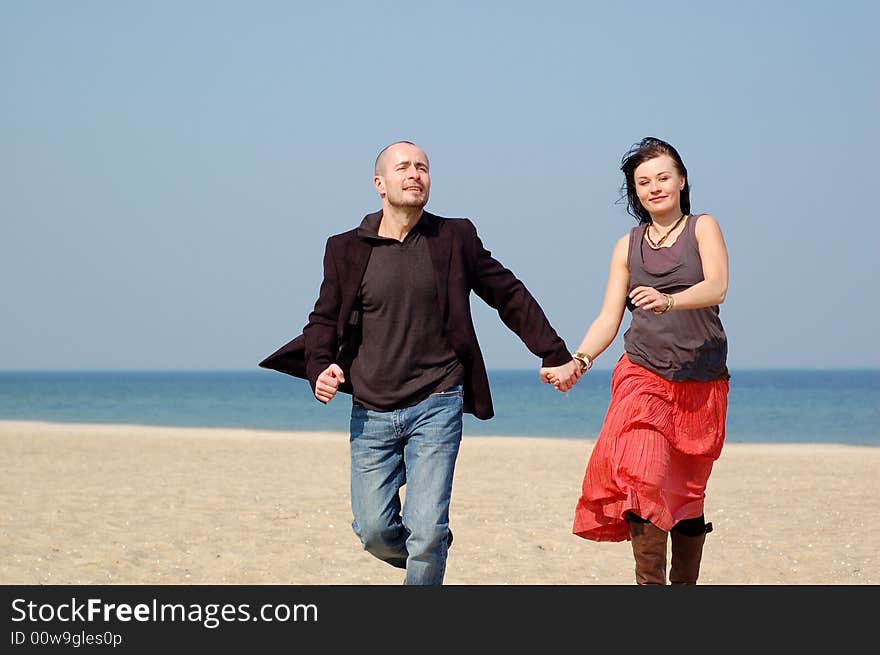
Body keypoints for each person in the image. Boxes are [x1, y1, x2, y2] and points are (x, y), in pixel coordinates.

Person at [260, 141, 581, 585]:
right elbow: (324, 319)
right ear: (380, 183)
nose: (415, 174)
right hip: (371, 408)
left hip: (437, 400)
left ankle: (427, 552)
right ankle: (428, 553)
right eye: (403, 167)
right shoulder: (345, 248)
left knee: (426, 529)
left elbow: (506, 293)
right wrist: (319, 368)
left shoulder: (454, 237)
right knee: (373, 531)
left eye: (423, 167)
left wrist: (554, 352)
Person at [542, 136, 730, 585]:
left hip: (701, 380)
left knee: (686, 494)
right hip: (643, 374)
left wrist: (669, 301)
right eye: (643, 182)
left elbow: (718, 286)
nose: (654, 187)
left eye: (663, 177)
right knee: (642, 478)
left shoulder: (702, 227)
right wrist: (579, 362)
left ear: (682, 181)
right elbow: (609, 316)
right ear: (635, 192)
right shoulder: (626, 247)